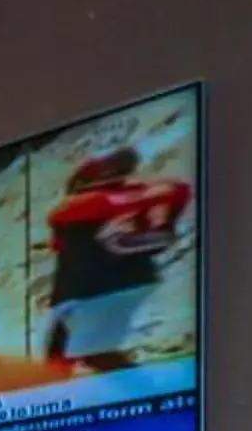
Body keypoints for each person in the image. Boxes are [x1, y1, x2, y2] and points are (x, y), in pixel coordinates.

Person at [44, 147, 191, 373]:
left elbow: (59, 219)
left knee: (94, 353)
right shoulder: (131, 197)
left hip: (97, 290)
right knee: (62, 351)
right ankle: (54, 399)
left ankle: (145, 395)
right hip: (94, 289)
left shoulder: (91, 204)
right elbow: (178, 192)